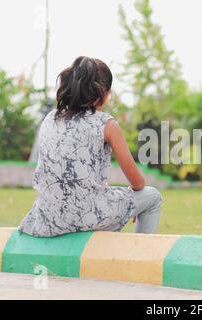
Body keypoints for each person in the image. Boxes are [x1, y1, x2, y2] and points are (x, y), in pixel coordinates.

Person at [18, 56, 162, 237]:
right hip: (86, 216)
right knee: (152, 197)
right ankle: (141, 256)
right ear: (103, 92)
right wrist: (131, 204)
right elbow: (138, 183)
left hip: (48, 218)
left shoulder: (50, 119)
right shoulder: (107, 124)